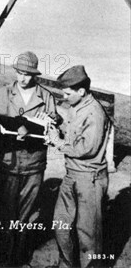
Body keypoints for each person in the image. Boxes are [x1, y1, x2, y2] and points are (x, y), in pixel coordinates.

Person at [0, 51, 60, 266]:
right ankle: (2, 256)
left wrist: (49, 120)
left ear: (35, 75)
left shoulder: (46, 96)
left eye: (28, 74)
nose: (23, 78)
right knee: (5, 212)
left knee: (26, 215)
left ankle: (18, 258)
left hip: (34, 164)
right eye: (19, 73)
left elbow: (54, 126)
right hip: (9, 162)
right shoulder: (4, 93)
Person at [46, 65, 110, 268]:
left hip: (89, 179)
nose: (64, 98)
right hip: (71, 175)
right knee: (60, 225)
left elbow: (86, 148)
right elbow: (74, 132)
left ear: (81, 91)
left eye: (67, 93)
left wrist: (58, 142)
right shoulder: (77, 107)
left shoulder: (95, 113)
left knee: (88, 236)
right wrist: (57, 123)